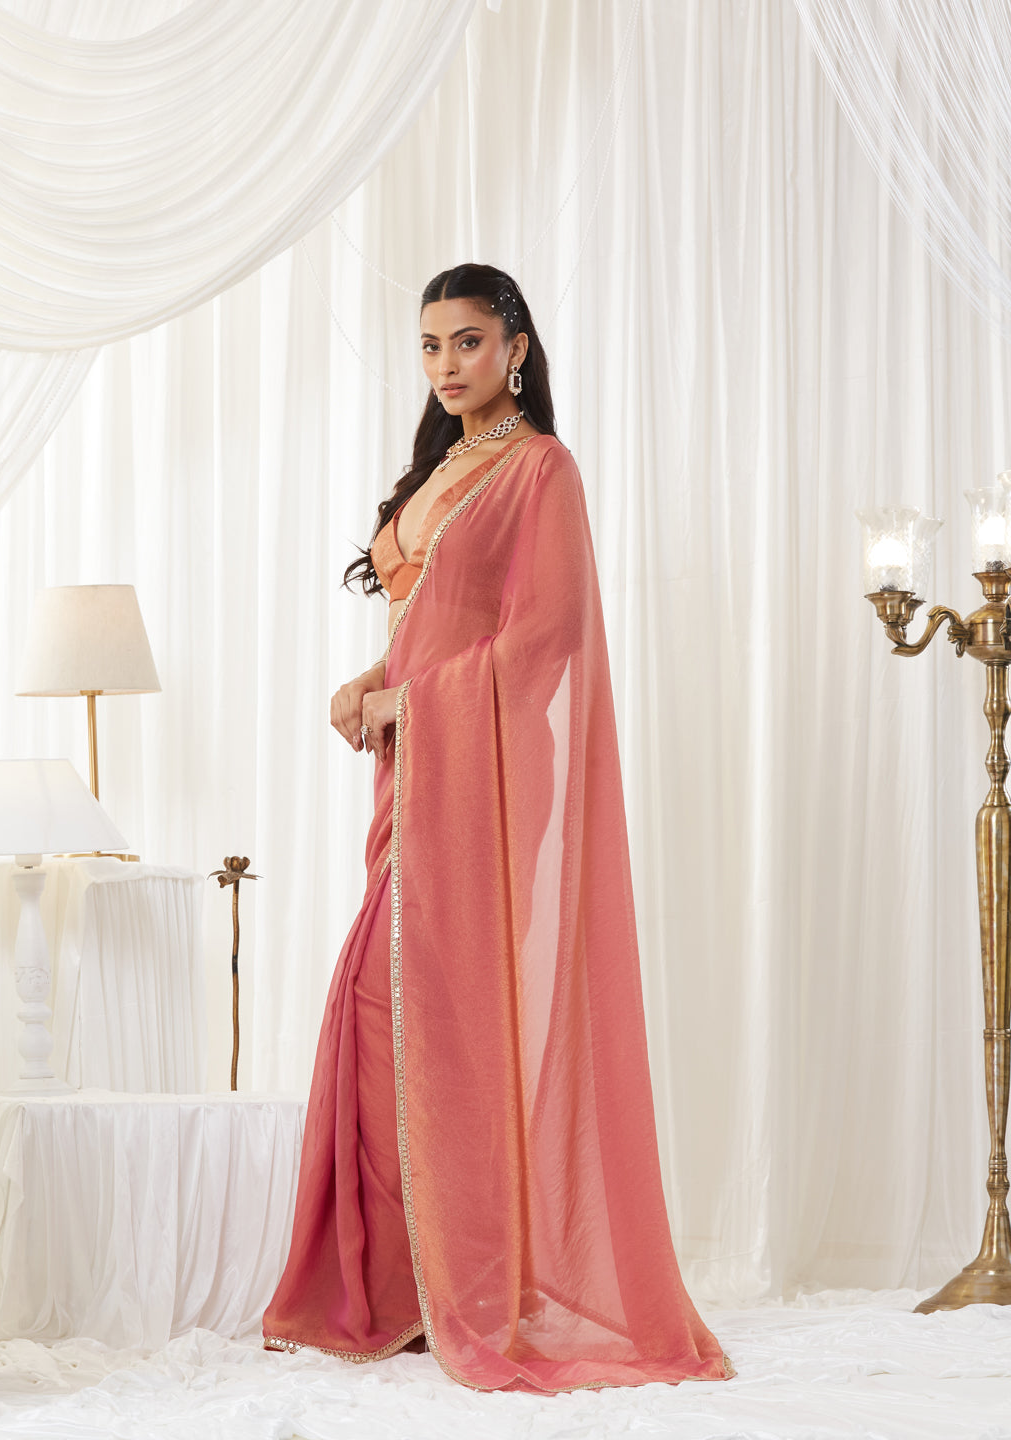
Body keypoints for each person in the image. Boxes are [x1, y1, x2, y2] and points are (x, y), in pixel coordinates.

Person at [263, 263, 730, 1392]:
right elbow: (430, 623)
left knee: (444, 1024)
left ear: (516, 347)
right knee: (385, 1015)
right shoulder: (440, 468)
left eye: (468, 342)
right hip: (414, 774)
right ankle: (400, 1290)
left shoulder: (539, 469)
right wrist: (370, 681)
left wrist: (409, 704)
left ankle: (466, 1287)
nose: (446, 364)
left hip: (485, 777)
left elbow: (544, 636)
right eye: (430, 345)